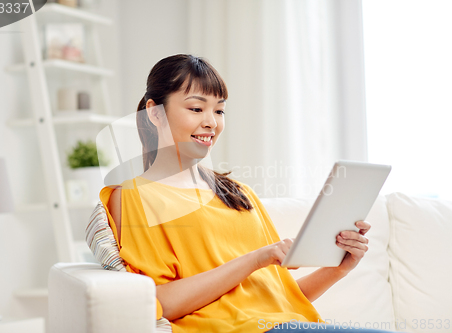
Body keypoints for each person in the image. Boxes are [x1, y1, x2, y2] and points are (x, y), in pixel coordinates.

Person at [99, 54, 394, 333]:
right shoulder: (133, 196)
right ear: (155, 113)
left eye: (219, 110)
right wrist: (256, 258)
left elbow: (280, 298)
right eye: (196, 108)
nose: (211, 122)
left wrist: (339, 269)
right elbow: (162, 303)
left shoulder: (239, 194)